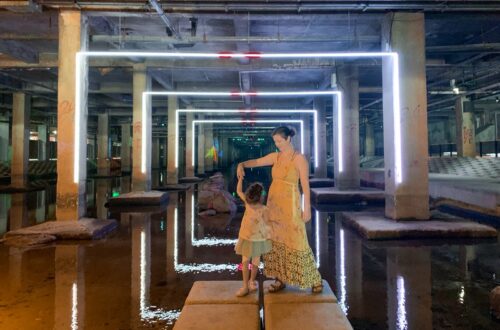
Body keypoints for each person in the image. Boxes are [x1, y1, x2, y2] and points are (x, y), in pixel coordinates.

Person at [237, 126, 323, 293]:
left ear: (288, 139)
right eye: (275, 142)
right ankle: (280, 279)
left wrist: (307, 209)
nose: (277, 144)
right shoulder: (275, 157)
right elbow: (256, 161)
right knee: (275, 240)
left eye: (279, 141)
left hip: (290, 204)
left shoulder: (299, 159)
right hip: (273, 203)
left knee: (297, 240)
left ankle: (314, 279)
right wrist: (242, 164)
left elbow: (305, 185)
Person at [234, 176, 272, 297]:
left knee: (245, 261)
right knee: (256, 261)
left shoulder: (247, 204)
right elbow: (268, 224)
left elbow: (239, 191)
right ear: (261, 196)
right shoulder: (264, 209)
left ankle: (245, 285)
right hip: (259, 239)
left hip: (246, 237)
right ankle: (251, 282)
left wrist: (240, 179)